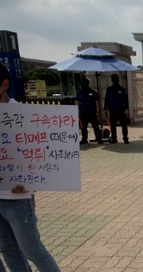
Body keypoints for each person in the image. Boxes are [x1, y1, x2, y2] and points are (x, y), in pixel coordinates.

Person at [0, 63, 60, 271]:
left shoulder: (24, 114)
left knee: (32, 249)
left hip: (16, 198)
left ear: (4, 84)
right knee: (8, 249)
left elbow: (40, 154)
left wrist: (29, 182)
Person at [75, 78, 103, 144]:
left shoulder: (93, 93)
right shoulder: (80, 93)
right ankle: (84, 139)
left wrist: (98, 111)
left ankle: (99, 138)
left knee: (95, 126)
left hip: (92, 112)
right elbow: (77, 102)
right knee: (83, 127)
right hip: (83, 112)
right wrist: (77, 111)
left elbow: (97, 102)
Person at [104, 74, 129, 144]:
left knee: (123, 124)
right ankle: (115, 138)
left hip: (121, 109)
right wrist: (105, 108)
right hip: (113, 109)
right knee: (114, 124)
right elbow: (107, 99)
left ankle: (125, 138)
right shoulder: (109, 89)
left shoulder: (122, 89)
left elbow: (125, 100)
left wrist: (126, 108)